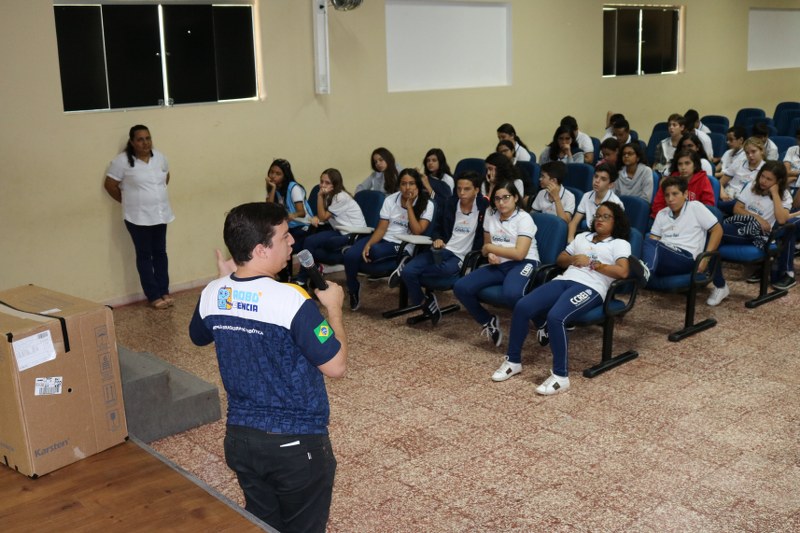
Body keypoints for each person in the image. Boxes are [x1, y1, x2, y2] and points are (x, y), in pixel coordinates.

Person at [189, 202, 347, 533]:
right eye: (285, 236)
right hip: (296, 446)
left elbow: (198, 336)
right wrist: (334, 309)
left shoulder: (213, 293)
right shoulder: (292, 299)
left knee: (263, 524)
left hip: (241, 442)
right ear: (261, 249)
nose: (293, 242)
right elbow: (335, 365)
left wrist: (225, 283)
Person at [493, 202, 631, 394]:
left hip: (592, 287)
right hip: (564, 279)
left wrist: (592, 263)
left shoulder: (619, 243)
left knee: (556, 317)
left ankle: (560, 376)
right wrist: (573, 259)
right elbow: (561, 259)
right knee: (523, 306)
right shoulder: (583, 237)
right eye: (598, 216)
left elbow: (623, 272)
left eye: (606, 216)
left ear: (616, 221)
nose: (600, 219)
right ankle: (513, 361)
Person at [453, 181, 539, 347]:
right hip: (499, 263)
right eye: (497, 199)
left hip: (525, 262)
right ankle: (488, 320)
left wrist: (491, 249)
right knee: (461, 287)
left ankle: (542, 322)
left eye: (506, 197)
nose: (501, 202)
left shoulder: (524, 218)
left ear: (515, 198)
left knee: (512, 294)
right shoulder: (490, 214)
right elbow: (486, 245)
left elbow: (519, 254)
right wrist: (490, 253)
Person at [399, 171, 489, 324]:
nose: (461, 193)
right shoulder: (450, 203)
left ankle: (412, 275)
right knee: (407, 271)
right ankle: (426, 303)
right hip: (443, 249)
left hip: (461, 256)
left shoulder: (484, 207)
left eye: (467, 189)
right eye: (459, 188)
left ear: (476, 190)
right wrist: (438, 238)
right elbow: (437, 228)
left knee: (444, 270)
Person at [104, 124, 175, 310]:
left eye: (148, 138)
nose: (145, 143)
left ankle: (164, 291)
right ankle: (153, 295)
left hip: (160, 214)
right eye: (140, 139)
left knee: (160, 253)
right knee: (144, 255)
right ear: (132, 142)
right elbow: (110, 185)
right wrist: (129, 201)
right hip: (137, 218)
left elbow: (166, 178)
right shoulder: (121, 162)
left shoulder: (160, 157)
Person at [343, 168, 434, 311]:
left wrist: (409, 207)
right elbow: (381, 229)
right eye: (403, 184)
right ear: (399, 185)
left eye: (411, 183)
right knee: (350, 255)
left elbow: (417, 231)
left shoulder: (427, 204)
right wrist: (368, 243)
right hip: (385, 239)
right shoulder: (390, 199)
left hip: (405, 243)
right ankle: (353, 290)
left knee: (374, 252)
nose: (407, 187)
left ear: (418, 185)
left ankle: (405, 260)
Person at [709, 161, 796, 305]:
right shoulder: (751, 186)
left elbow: (781, 219)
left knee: (713, 234)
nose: (763, 181)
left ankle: (718, 284)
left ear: (778, 182)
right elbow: (737, 208)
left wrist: (775, 193)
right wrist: (757, 218)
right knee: (712, 240)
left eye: (769, 179)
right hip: (741, 226)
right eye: (762, 176)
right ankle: (719, 284)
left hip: (758, 235)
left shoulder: (785, 196)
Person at [644, 175, 722, 281]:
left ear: (685, 194)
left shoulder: (695, 207)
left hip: (687, 258)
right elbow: (653, 240)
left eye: (675, 194)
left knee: (650, 242)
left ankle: (644, 274)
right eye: (667, 195)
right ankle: (644, 270)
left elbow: (717, 230)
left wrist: (705, 259)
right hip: (666, 256)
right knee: (645, 241)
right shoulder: (662, 213)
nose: (670, 199)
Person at [296, 169, 367, 285]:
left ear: (335, 184)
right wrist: (316, 218)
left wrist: (319, 196)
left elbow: (323, 216)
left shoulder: (340, 197)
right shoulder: (330, 196)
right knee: (309, 241)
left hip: (353, 233)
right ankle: (304, 278)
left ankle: (304, 278)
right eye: (321, 182)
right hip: (339, 230)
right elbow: (322, 216)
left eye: (327, 183)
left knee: (319, 244)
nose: (323, 185)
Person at [568, 162, 624, 242]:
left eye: (603, 179)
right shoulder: (586, 196)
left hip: (606, 240)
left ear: (611, 185)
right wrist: (570, 241)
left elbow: (616, 233)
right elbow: (574, 222)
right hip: (589, 235)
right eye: (596, 176)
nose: (597, 181)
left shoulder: (616, 203)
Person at [265, 158, 312, 253]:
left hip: (303, 225)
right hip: (288, 226)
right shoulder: (274, 188)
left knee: (286, 248)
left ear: (285, 176)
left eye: (278, 174)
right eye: (272, 172)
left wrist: (290, 216)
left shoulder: (294, 188)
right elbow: (269, 210)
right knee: (270, 243)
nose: (273, 176)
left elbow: (301, 212)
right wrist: (272, 189)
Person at [651, 149, 715, 218]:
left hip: (694, 219)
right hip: (670, 218)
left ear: (695, 165)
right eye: (680, 164)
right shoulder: (670, 180)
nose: (683, 168)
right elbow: (658, 204)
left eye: (687, 163)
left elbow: (708, 206)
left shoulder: (703, 180)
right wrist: (668, 218)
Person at [719, 137, 766, 213]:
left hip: (743, 203)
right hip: (726, 196)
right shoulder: (739, 163)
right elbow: (721, 182)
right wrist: (722, 193)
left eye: (753, 151)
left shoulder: (766, 169)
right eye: (747, 153)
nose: (750, 155)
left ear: (762, 151)